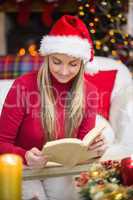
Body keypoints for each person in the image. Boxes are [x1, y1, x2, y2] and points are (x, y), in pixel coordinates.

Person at [0, 15, 108, 200]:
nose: (64, 71)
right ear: (47, 57)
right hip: (23, 167)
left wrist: (95, 149)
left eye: (72, 64)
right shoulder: (24, 86)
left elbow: (80, 146)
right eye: (56, 62)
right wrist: (25, 155)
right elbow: (1, 142)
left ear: (82, 64)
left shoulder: (90, 92)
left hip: (59, 167)